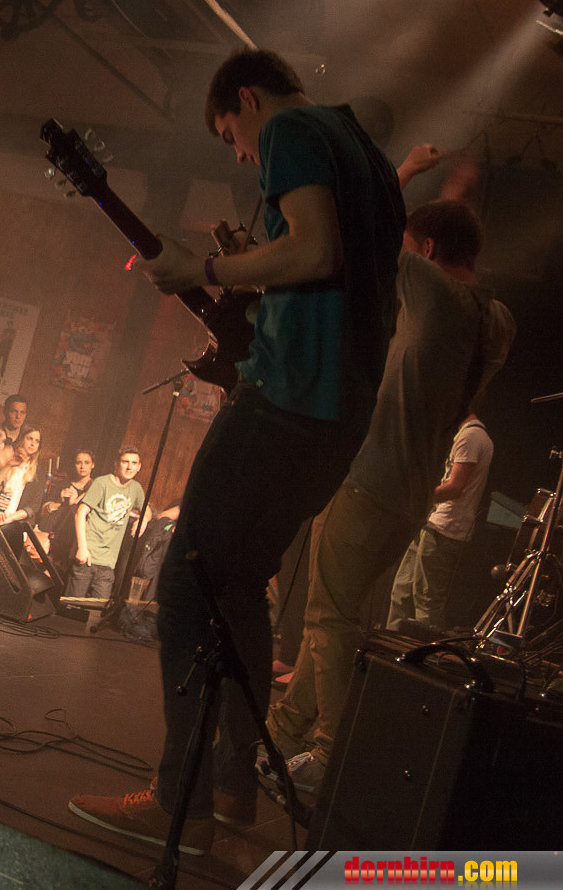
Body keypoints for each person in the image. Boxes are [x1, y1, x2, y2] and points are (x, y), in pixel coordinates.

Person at [68, 48, 407, 855]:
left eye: (231, 136)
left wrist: (208, 265)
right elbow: (337, 272)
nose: (244, 155)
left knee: (186, 583)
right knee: (240, 586)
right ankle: (230, 787)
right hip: (338, 416)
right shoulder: (368, 155)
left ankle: (177, 802)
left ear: (248, 100)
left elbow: (316, 251)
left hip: (285, 401)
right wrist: (256, 265)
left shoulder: (292, 129)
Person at [263, 199, 513, 795]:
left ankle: (331, 753)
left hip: (369, 480)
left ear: (425, 249)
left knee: (328, 616)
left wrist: (408, 175)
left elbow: (361, 226)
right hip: (413, 495)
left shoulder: (432, 292)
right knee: (337, 612)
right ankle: (286, 732)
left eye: (412, 246)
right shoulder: (499, 319)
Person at [386, 416, 495, 630]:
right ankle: (389, 642)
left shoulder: (471, 436)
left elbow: (455, 487)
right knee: (402, 590)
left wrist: (418, 497)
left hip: (444, 529)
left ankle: (423, 649)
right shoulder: (475, 435)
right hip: (434, 524)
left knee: (426, 600)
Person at [66, 448, 145, 599]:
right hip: (87, 557)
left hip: (108, 563)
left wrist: (143, 520)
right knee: (72, 607)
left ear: (139, 467)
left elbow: (146, 510)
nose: (129, 467)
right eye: (125, 462)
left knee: (97, 610)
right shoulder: (102, 483)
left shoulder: (136, 488)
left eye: (134, 463)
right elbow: (80, 513)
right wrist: (82, 548)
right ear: (116, 464)